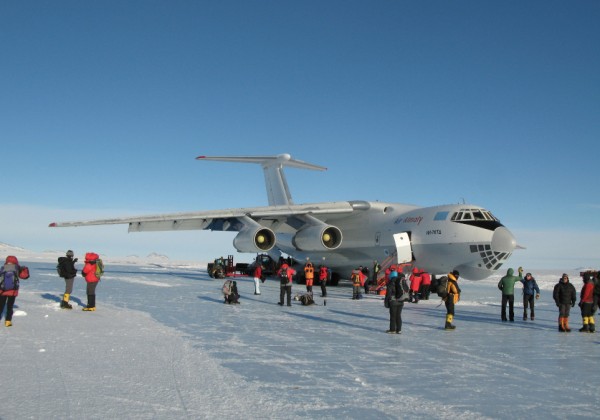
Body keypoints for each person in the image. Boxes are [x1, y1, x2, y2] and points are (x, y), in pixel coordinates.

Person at [0, 256, 27, 327]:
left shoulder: (3, 268)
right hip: (12, 292)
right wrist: (24, 269)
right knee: (10, 306)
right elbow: (25, 276)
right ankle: (8, 321)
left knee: (1, 306)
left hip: (2, 291)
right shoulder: (17, 268)